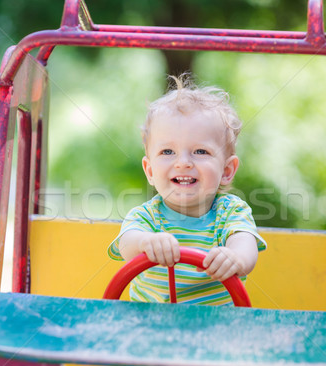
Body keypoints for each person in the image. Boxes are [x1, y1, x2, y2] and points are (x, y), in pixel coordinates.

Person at [108, 74, 266, 305]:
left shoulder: (231, 212)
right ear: (150, 171)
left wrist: (235, 258)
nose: (183, 163)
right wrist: (145, 243)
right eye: (167, 152)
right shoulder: (147, 217)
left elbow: (245, 245)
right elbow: (127, 245)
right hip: (149, 328)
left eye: (200, 152)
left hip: (216, 328)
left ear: (226, 170)